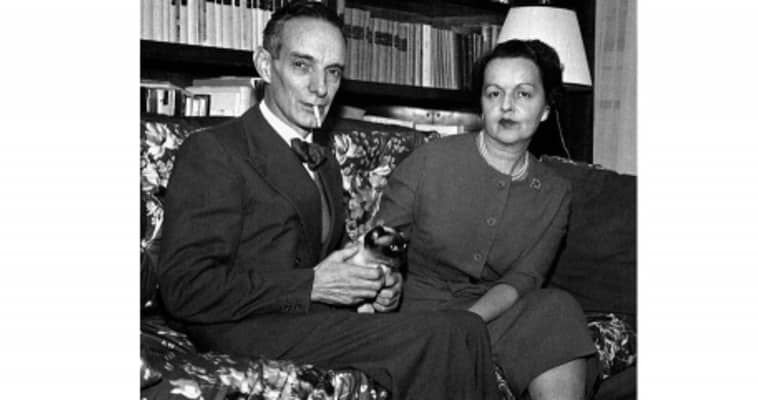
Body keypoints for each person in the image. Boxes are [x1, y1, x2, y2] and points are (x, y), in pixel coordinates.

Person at [156, 2, 500, 399]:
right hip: (239, 327)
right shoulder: (215, 150)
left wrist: (370, 286)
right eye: (302, 65)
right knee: (446, 334)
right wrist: (313, 285)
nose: (320, 87)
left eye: (333, 71)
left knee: (466, 326)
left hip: (300, 319)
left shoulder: (323, 159)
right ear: (265, 65)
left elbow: (318, 261)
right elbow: (185, 287)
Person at [375, 39, 599, 400]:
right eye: (494, 93)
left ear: (545, 109)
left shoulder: (555, 192)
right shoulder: (430, 161)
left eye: (523, 94)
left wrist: (469, 321)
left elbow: (524, 278)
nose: (506, 106)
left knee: (557, 308)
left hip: (494, 314)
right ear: (481, 105)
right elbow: (381, 242)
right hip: (415, 310)